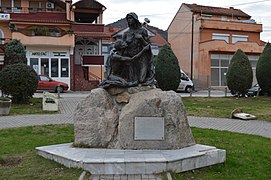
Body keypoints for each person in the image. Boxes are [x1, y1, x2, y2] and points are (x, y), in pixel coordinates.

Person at [100, 12, 155, 88]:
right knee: (133, 80)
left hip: (141, 57)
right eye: (128, 19)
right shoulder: (126, 33)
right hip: (129, 57)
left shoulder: (143, 31)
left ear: (135, 19)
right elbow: (121, 46)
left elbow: (147, 46)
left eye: (130, 18)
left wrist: (141, 39)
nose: (129, 20)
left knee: (141, 80)